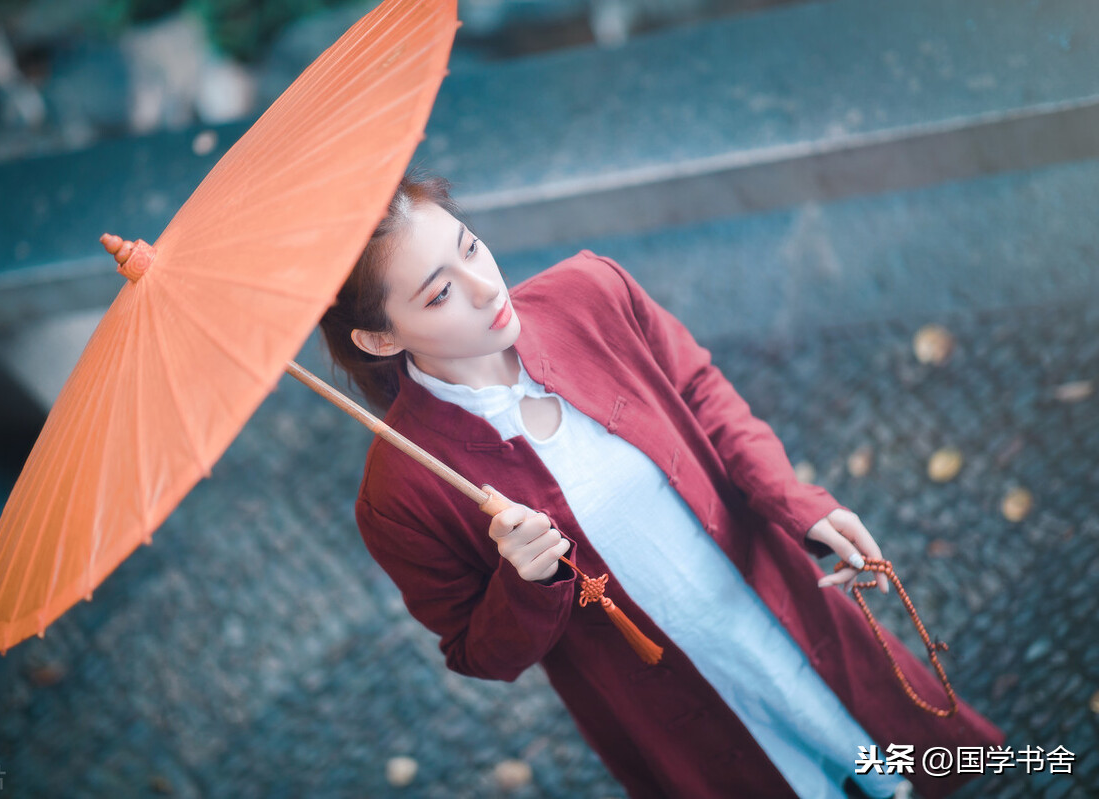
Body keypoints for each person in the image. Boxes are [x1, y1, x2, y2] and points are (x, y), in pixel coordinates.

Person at [318, 173, 1003, 798]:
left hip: (774, 612)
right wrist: (522, 583)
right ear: (380, 339)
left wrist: (796, 503)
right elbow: (476, 652)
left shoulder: (590, 294)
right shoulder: (401, 492)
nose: (484, 287)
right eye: (439, 293)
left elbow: (701, 394)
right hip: (666, 705)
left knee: (881, 755)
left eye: (470, 248)